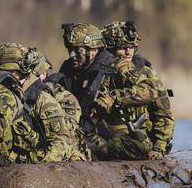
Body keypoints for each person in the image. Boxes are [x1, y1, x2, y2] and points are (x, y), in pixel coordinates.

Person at [54, 22, 158, 161]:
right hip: (79, 132)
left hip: (113, 137)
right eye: (69, 50)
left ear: (93, 50)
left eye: (77, 51)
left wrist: (114, 97)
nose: (72, 55)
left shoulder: (117, 65)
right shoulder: (68, 68)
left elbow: (150, 91)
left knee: (134, 146)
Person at [100, 21, 174, 160]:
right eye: (122, 47)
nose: (128, 52)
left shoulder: (145, 73)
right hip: (111, 136)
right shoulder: (101, 74)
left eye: (131, 47)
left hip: (140, 141)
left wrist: (159, 148)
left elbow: (163, 114)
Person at [18, 47, 84, 162]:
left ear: (43, 74)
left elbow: (66, 134)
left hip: (67, 155)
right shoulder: (25, 96)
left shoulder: (65, 98)